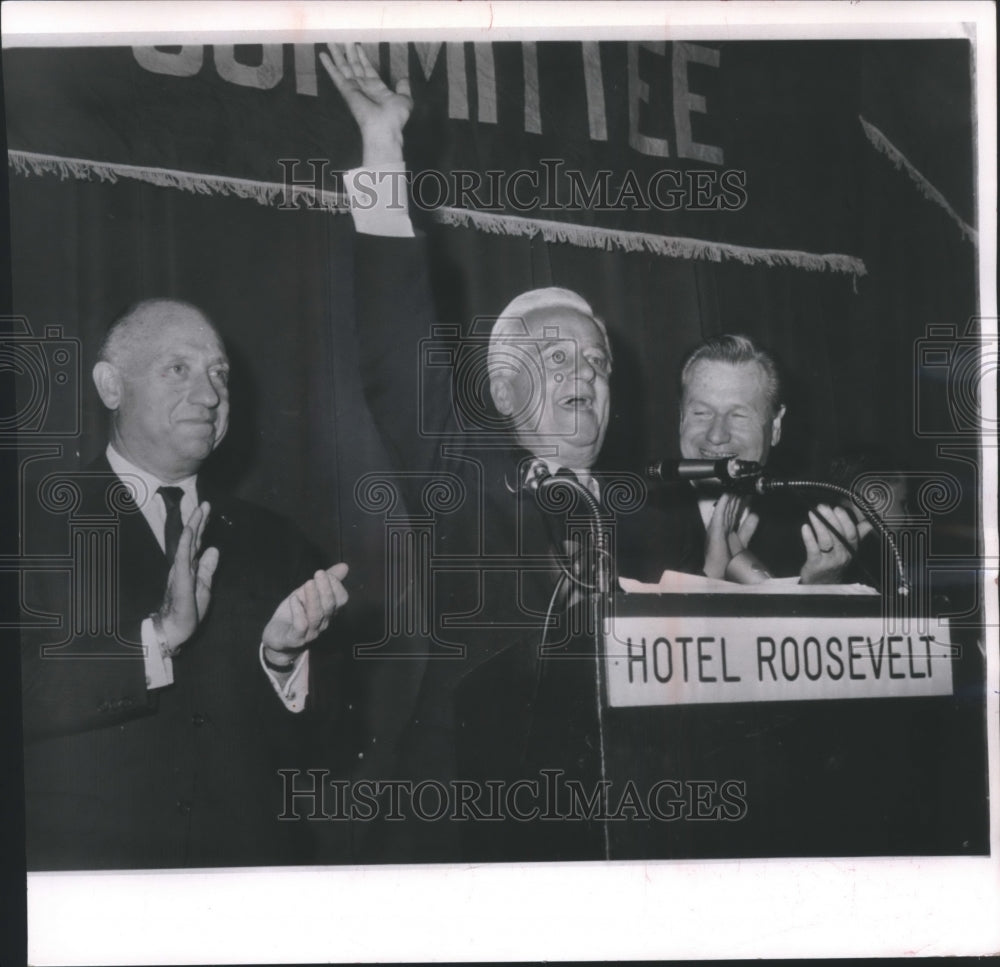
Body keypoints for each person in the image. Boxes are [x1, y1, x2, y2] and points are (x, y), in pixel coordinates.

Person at [323, 44, 638, 862]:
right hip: (468, 832)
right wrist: (385, 150)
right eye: (557, 358)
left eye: (596, 362)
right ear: (501, 393)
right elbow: (397, 346)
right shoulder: (460, 477)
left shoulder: (658, 514)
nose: (585, 374)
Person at [21, 299, 351, 870]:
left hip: (245, 878)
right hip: (92, 881)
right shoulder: (28, 522)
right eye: (179, 369)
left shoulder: (277, 541)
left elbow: (326, 748)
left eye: (218, 373)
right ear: (111, 386)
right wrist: (158, 640)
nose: (209, 395)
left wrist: (282, 659)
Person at [645, 333, 872, 585]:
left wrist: (820, 590)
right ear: (680, 418)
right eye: (701, 413)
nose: (717, 435)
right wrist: (711, 579)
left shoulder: (819, 533)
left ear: (775, 426)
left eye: (738, 416)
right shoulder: (633, 519)